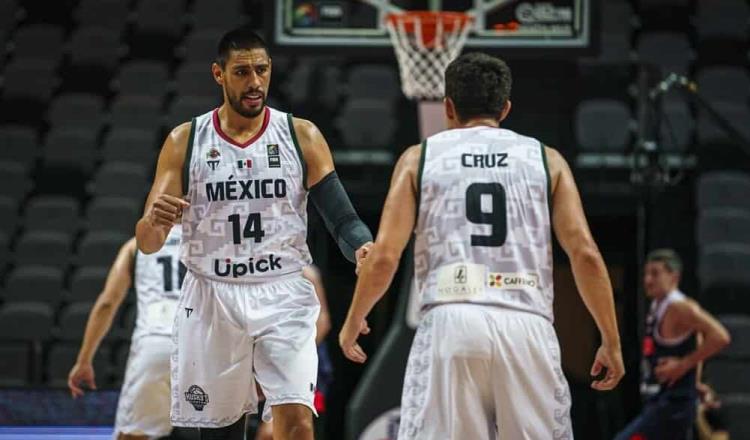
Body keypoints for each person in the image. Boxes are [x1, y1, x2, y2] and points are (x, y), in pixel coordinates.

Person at [339, 52, 625, 439]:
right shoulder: (547, 160)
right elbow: (585, 254)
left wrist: (356, 317)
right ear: (505, 108)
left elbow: (387, 254)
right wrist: (610, 339)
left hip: (452, 321)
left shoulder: (419, 159)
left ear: (448, 107)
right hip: (527, 324)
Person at [135, 26, 372, 440]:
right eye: (242, 72)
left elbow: (342, 219)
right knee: (221, 430)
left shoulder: (302, 136)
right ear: (218, 74)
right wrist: (154, 222)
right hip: (213, 295)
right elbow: (147, 242)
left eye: (261, 70)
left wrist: (362, 246)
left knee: (298, 421)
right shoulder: (184, 141)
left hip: (282, 291)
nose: (255, 82)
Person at [68, 227, 183, 440]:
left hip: (156, 341)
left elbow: (107, 303)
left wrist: (84, 360)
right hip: (206, 345)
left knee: (133, 434)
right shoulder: (213, 241)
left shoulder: (136, 245)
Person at [615, 249, 730, 440]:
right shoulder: (659, 304)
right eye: (646, 274)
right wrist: (695, 380)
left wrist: (682, 366)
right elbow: (698, 338)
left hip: (672, 405)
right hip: (662, 401)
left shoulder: (680, 307)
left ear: (674, 276)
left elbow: (720, 336)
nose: (648, 280)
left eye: (655, 273)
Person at [254, 265, 333, 440]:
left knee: (274, 431)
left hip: (296, 360)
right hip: (259, 360)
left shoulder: (305, 272)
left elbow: (323, 322)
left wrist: (288, 355)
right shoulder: (249, 271)